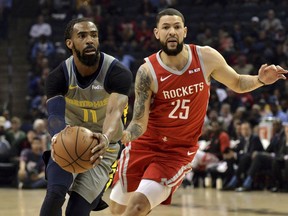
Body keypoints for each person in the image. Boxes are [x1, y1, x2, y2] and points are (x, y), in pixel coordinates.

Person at [109, 8, 287, 216]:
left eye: (176, 27)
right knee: (117, 210)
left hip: (176, 152)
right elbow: (139, 121)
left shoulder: (205, 57)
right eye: (166, 27)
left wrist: (259, 80)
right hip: (145, 144)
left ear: (185, 31)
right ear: (157, 33)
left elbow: (237, 82)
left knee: (137, 207)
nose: (172, 32)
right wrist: (123, 135)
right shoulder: (147, 72)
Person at [39, 17, 133, 216]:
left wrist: (106, 137)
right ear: (70, 43)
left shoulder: (117, 72)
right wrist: (57, 136)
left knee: (77, 211)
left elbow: (114, 111)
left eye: (94, 35)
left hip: (104, 148)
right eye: (82, 36)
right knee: (55, 194)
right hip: (69, 138)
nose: (90, 40)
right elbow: (55, 115)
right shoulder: (58, 76)